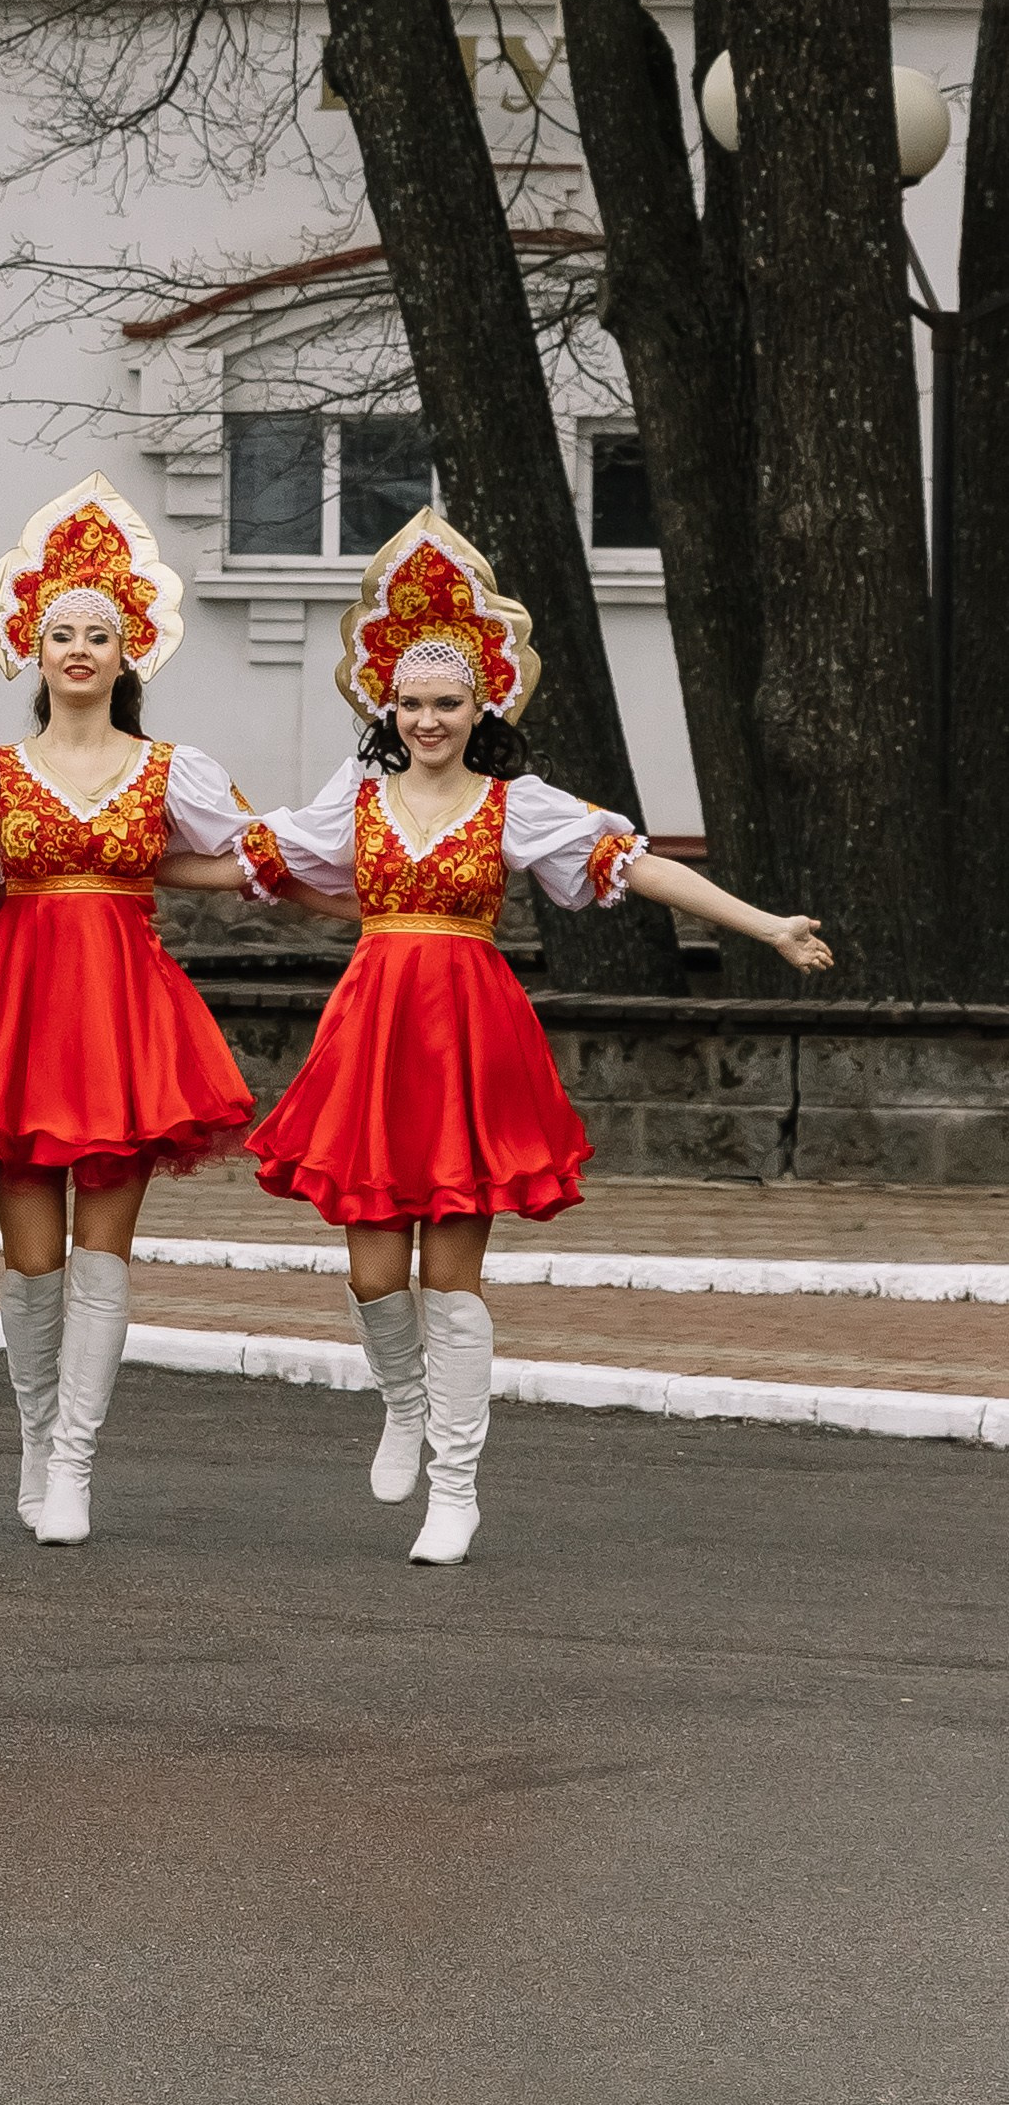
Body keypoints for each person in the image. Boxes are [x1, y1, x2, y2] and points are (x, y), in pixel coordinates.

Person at [180, 508, 832, 1567]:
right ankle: (401, 1402)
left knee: (453, 1277)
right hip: (375, 1034)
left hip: (468, 1038)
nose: (428, 720)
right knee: (372, 1276)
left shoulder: (515, 802)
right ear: (384, 706)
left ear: (481, 704)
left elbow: (637, 865)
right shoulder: (351, 798)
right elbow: (252, 861)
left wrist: (762, 925)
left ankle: (457, 1484)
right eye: (411, 704)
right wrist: (99, 868)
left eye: (447, 704)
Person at [0, 473, 267, 1548]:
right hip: (19, 1016)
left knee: (103, 1254)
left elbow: (227, 861)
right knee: (32, 1260)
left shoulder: (171, 771)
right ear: (30, 650)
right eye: (60, 631)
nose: (78, 648)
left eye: (99, 634)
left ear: (130, 656)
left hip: (126, 1020)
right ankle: (36, 1441)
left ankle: (75, 1458)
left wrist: (351, 876)